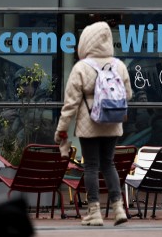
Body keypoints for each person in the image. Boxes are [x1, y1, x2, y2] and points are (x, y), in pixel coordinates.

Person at [55, 20, 133, 227]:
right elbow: (128, 95)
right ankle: (118, 208)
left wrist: (61, 129)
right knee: (108, 163)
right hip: (113, 124)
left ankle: (94, 212)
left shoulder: (81, 68)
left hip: (88, 125)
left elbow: (70, 104)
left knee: (91, 166)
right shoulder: (119, 65)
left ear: (87, 41)